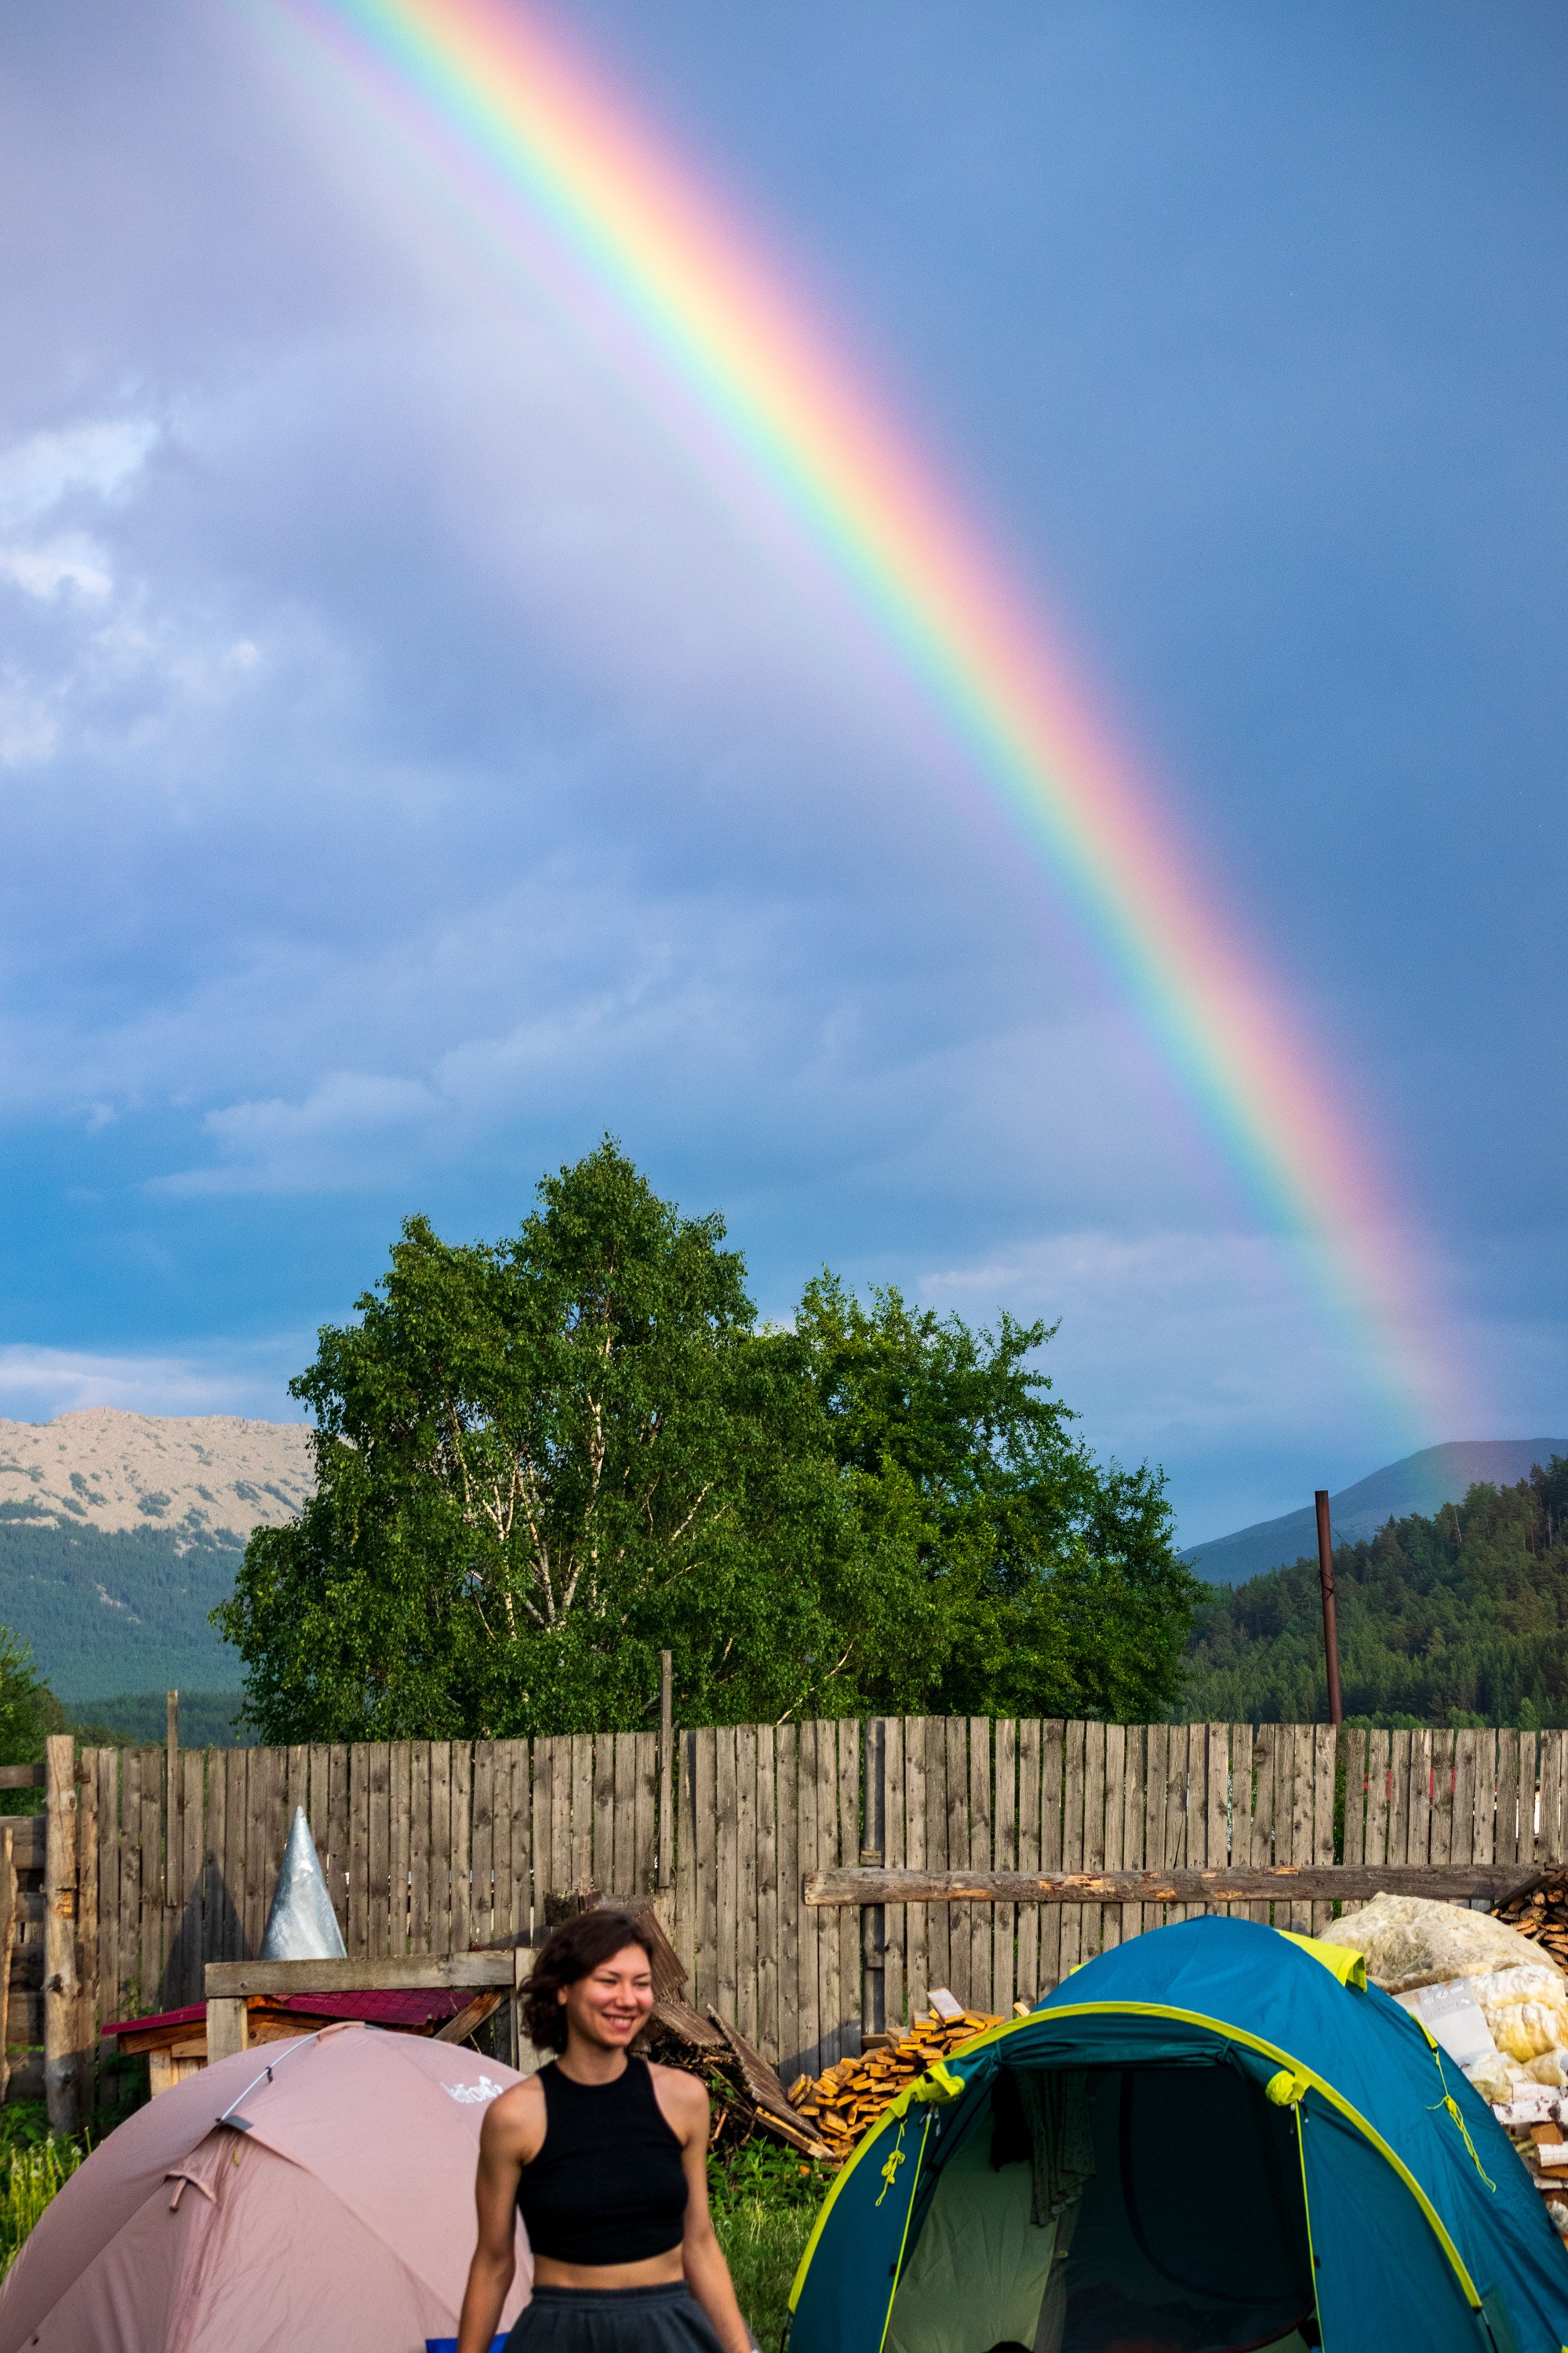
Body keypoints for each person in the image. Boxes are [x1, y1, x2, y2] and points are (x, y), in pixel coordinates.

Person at [457, 1907, 753, 2353]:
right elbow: (493, 2261)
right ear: (561, 1990)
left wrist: (741, 2350)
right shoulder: (515, 2117)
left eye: (641, 1983)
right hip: (560, 2333)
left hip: (670, 2329)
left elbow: (701, 2242)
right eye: (608, 1980)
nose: (628, 1998)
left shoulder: (684, 2100)